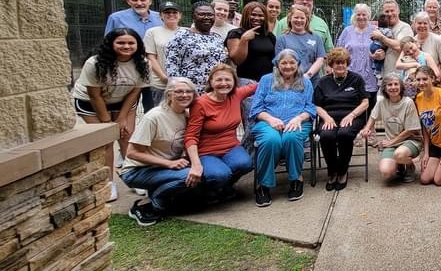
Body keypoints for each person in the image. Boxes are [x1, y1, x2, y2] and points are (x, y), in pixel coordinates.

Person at [73, 28, 151, 202]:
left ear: (138, 45)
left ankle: (134, 177)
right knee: (106, 141)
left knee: (127, 136)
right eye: (121, 42)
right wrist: (107, 122)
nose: (126, 46)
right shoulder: (94, 63)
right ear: (111, 43)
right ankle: (108, 182)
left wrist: (122, 118)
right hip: (92, 103)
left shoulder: (143, 62)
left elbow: (135, 91)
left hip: (123, 100)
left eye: (131, 43)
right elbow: (94, 95)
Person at [120, 78, 197, 226]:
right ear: (168, 95)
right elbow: (132, 153)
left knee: (200, 173)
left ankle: (159, 195)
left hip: (161, 167)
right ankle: (148, 204)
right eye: (179, 91)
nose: (184, 95)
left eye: (189, 92)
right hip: (137, 170)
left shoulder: (186, 115)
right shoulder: (154, 117)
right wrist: (169, 163)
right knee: (189, 176)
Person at [248, 49, 316, 206]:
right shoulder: (266, 80)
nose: (288, 66)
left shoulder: (305, 82)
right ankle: (263, 185)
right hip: (268, 122)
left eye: (292, 62)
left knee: (291, 137)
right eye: (284, 62)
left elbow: (311, 108)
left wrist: (299, 118)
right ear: (277, 64)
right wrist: (270, 119)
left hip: (298, 122)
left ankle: (296, 179)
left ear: (298, 64)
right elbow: (256, 108)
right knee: (271, 140)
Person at [184, 64, 256, 200]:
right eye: (219, 80)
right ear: (211, 82)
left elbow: (259, 85)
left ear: (234, 82)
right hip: (207, 152)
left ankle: (225, 187)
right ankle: (209, 189)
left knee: (245, 164)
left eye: (228, 79)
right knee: (219, 174)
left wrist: (286, 74)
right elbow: (190, 136)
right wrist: (196, 164)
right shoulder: (200, 103)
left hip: (231, 147)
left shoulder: (236, 95)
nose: (224, 83)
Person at [313, 48, 369, 191]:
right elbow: (316, 105)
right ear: (331, 64)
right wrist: (326, 118)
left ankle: (343, 171)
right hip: (329, 117)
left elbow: (365, 102)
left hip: (352, 117)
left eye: (343, 62)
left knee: (344, 133)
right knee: (327, 135)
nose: (340, 65)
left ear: (347, 63)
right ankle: (332, 171)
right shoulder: (323, 82)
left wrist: (352, 115)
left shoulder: (356, 79)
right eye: (337, 63)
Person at [359, 73, 423, 182]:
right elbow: (373, 116)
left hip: (410, 140)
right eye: (389, 85)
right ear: (384, 88)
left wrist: (391, 142)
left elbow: (410, 130)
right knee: (386, 173)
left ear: (401, 86)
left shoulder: (408, 102)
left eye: (396, 84)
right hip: (391, 142)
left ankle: (410, 166)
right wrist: (366, 129)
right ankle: (400, 165)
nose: (393, 87)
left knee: (399, 154)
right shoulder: (381, 102)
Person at [165, 2, 229, 92]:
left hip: (214, 91)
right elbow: (172, 66)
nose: (206, 17)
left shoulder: (217, 38)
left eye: (210, 15)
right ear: (193, 17)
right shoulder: (182, 36)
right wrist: (178, 89)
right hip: (190, 92)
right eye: (201, 14)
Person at [337, 3, 380, 110]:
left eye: (364, 14)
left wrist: (377, 54)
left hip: (370, 75)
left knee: (370, 106)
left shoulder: (375, 30)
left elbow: (382, 48)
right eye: (358, 14)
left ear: (368, 16)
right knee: (351, 105)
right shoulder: (347, 31)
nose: (361, 17)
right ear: (354, 15)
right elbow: (338, 52)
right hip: (350, 74)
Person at [143, 1, 183, 111]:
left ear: (180, 15)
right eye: (167, 12)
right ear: (160, 16)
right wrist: (164, 78)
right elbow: (151, 57)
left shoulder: (187, 32)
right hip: (160, 83)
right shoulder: (152, 32)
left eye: (174, 12)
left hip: (183, 83)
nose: (171, 15)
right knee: (159, 113)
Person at [227, 2, 277, 82]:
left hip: (267, 80)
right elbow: (237, 61)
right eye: (253, 14)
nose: (257, 18)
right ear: (246, 15)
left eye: (261, 15)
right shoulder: (236, 34)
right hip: (246, 81)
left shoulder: (269, 36)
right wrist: (244, 39)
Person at [275, 5, 326, 82]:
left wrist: (308, 75)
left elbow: (320, 59)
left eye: (302, 18)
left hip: (312, 80)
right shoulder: (282, 39)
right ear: (290, 19)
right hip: (289, 81)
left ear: (307, 20)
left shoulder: (316, 38)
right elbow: (279, 61)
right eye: (296, 17)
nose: (299, 20)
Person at [372, 0, 414, 77]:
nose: (390, 14)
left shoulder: (404, 28)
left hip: (399, 77)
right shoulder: (379, 29)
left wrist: (381, 37)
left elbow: (401, 46)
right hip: (383, 76)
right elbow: (370, 48)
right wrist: (375, 55)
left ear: (398, 11)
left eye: (392, 11)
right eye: (387, 11)